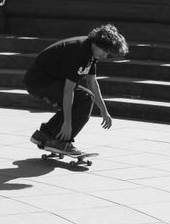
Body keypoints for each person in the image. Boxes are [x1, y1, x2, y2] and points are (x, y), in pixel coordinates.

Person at [23, 24, 128, 155]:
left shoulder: (90, 52)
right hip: (40, 82)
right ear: (97, 43)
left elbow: (92, 82)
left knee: (84, 97)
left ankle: (45, 135)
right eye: (105, 51)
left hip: (44, 80)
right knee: (84, 98)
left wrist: (104, 111)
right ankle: (60, 142)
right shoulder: (80, 52)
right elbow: (68, 90)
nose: (105, 56)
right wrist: (67, 124)